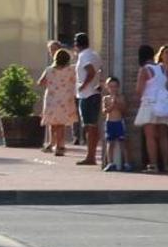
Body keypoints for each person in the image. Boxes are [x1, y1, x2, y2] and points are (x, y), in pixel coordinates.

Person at [137, 45, 168, 172]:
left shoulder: (145, 69)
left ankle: (153, 165)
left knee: (150, 136)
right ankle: (166, 165)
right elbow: (166, 85)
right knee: (163, 136)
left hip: (150, 103)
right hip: (163, 103)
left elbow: (139, 90)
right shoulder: (162, 68)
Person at [37, 49, 79, 156]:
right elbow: (75, 81)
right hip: (65, 99)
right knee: (61, 124)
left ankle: (52, 143)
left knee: (53, 123)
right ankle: (60, 146)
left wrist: (50, 84)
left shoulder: (49, 70)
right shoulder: (70, 70)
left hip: (51, 99)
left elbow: (40, 82)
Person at [74, 32, 103, 165]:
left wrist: (83, 85)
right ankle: (91, 154)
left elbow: (90, 71)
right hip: (95, 92)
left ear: (76, 44)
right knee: (93, 126)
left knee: (89, 126)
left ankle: (90, 156)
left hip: (87, 94)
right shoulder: (94, 54)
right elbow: (100, 70)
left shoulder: (83, 55)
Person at [100, 76, 129, 171]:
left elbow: (124, 110)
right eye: (111, 86)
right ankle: (110, 162)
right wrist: (112, 105)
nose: (113, 89)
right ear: (107, 87)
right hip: (110, 123)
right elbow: (104, 111)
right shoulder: (106, 98)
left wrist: (117, 104)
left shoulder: (121, 97)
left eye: (115, 86)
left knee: (123, 143)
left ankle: (127, 163)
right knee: (110, 143)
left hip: (119, 122)